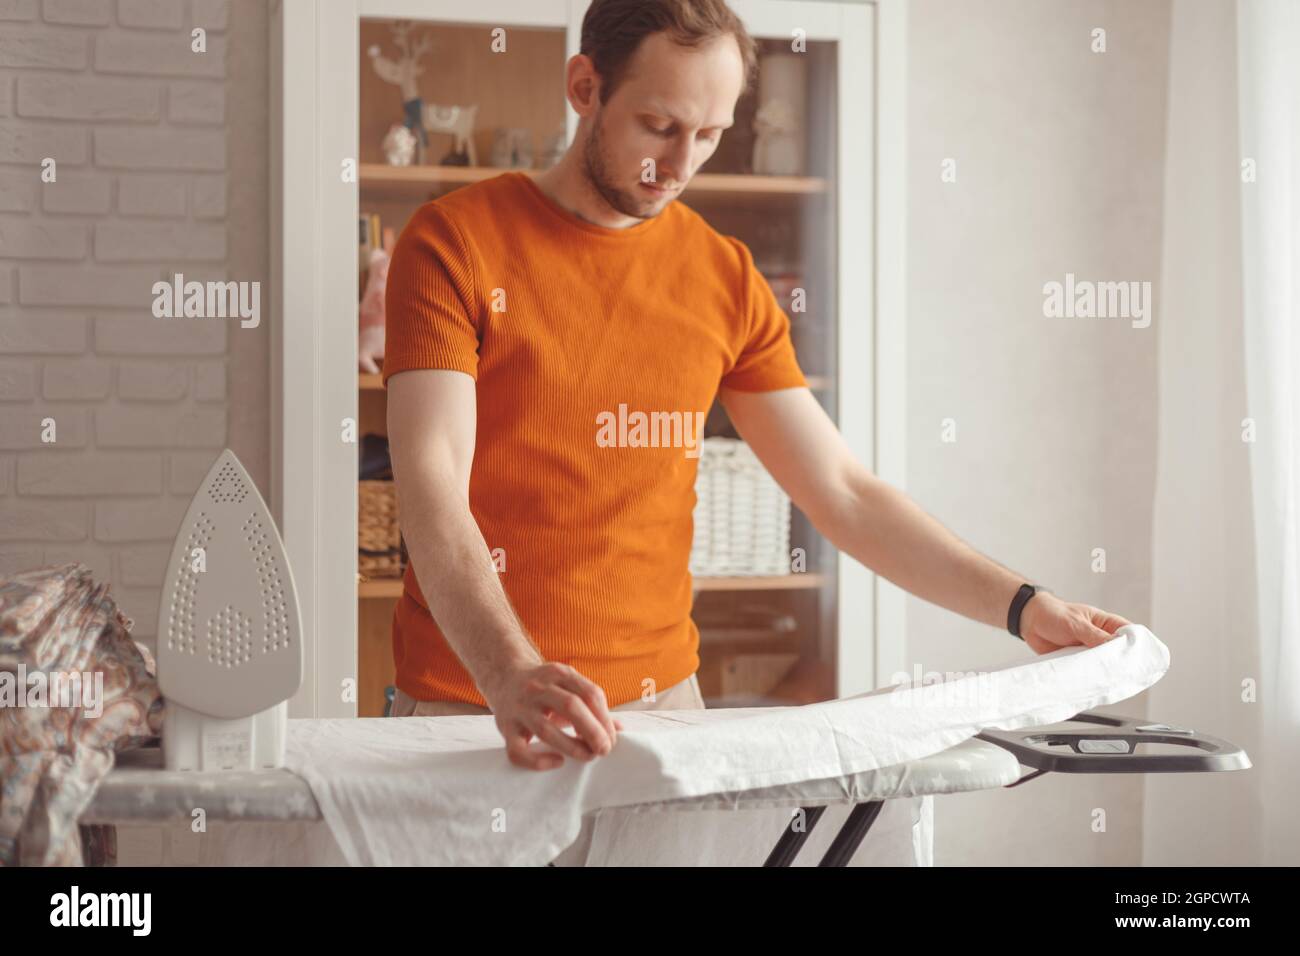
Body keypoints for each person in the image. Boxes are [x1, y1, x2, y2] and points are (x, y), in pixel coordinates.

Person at [381, 0, 1131, 771]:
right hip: (470, 702)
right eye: (659, 126)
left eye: (708, 135)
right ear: (584, 86)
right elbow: (433, 486)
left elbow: (843, 491)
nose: (679, 165)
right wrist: (509, 672)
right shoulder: (454, 242)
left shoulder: (724, 276)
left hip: (665, 711)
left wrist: (1021, 605)